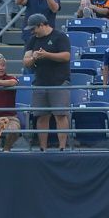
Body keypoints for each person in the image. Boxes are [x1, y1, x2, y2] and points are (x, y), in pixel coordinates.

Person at [22, 13, 70, 152]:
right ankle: (43, 148)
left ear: (42, 25)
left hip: (59, 82)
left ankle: (62, 148)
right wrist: (34, 58)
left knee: (60, 115)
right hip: (40, 83)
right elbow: (26, 60)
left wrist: (47, 55)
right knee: (41, 116)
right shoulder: (32, 40)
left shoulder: (60, 36)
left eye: (33, 28)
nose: (32, 32)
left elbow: (66, 56)